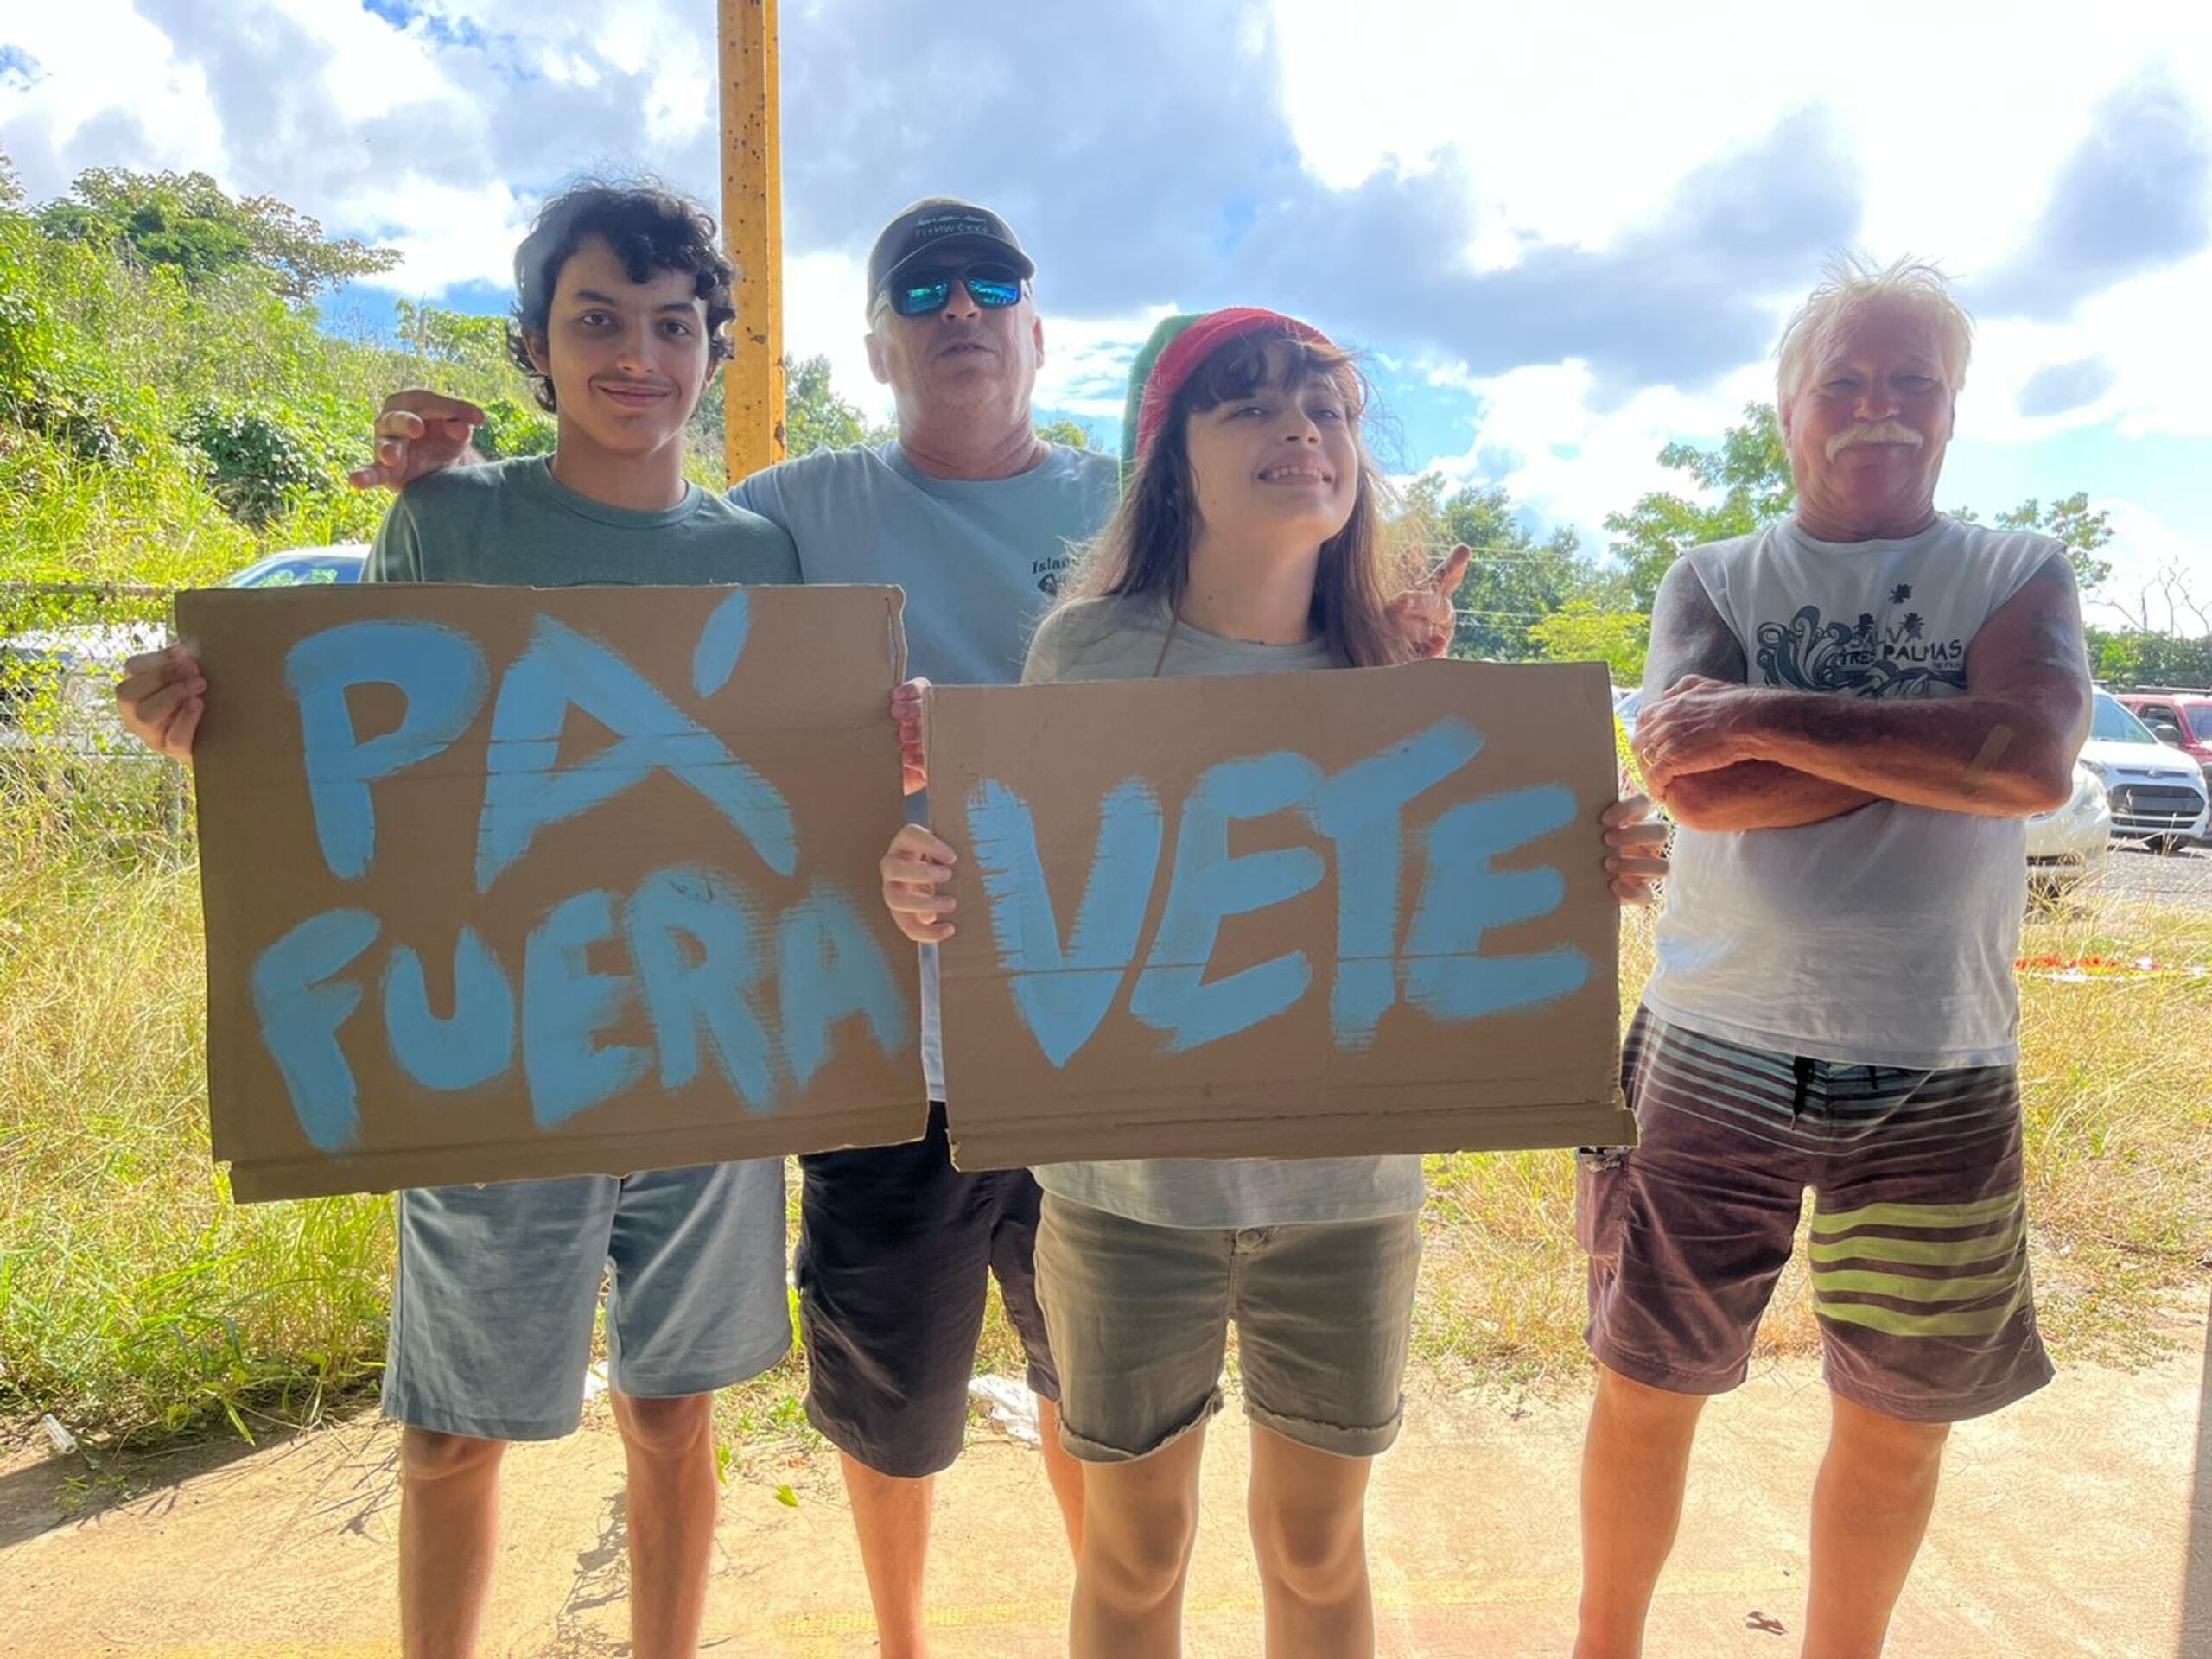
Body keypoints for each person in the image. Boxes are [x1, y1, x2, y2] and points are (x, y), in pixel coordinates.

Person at [346, 202, 1470, 1659]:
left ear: (1037, 330)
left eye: (993, 287)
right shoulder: (784, 514)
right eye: (920, 292)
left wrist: (1407, 651)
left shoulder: (1142, 519)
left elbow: (1302, 669)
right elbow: (576, 566)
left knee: (1100, 1403)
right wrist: (452, 479)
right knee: (893, 1401)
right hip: (882, 1039)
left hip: (1101, 1062)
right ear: (873, 345)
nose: (960, 312)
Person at [879, 308, 1668, 1659]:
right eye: (1244, 402)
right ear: (1167, 454)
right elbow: (1027, 879)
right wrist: (925, 881)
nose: (1298, 427)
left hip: (1345, 1202)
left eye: (1327, 405)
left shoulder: (1404, 678)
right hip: (1128, 1201)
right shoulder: (1085, 655)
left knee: (1316, 1546)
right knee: (1135, 1554)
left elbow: (1467, 894)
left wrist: (1595, 849)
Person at [116, 182, 801, 1659]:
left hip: (707, 1050)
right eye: (597, 320)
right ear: (537, 352)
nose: (637, 355)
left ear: (715, 349)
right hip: (491, 1035)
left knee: (676, 1413)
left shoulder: (763, 555)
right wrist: (200, 720)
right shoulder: (445, 517)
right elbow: (362, 759)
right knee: (450, 1433)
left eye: (672, 325)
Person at [1576, 256, 2092, 1659]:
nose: (1878, 408)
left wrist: (1764, 712)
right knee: (1647, 1382)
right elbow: (1699, 790)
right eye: (1844, 382)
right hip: (1712, 1041)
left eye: (1912, 380)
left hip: (1941, 1060)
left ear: (1954, 405)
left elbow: (2034, 761)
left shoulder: (2015, 568)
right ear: (1787, 407)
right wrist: (1936, 740)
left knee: (1900, 1415)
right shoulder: (1715, 574)